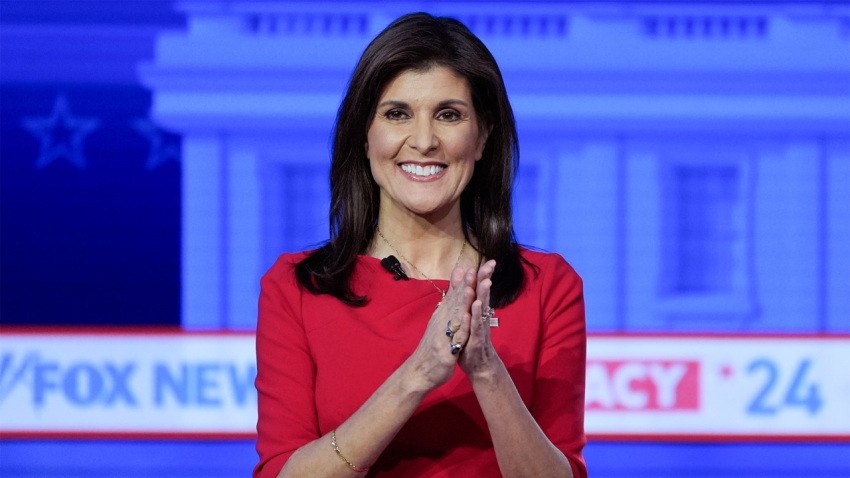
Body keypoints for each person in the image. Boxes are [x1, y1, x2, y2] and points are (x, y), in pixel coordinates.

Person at [254, 12, 586, 478]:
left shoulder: (547, 286)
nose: (425, 141)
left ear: (482, 135)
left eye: (449, 115)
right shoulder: (299, 288)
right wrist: (418, 375)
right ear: (365, 136)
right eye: (397, 114)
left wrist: (487, 372)